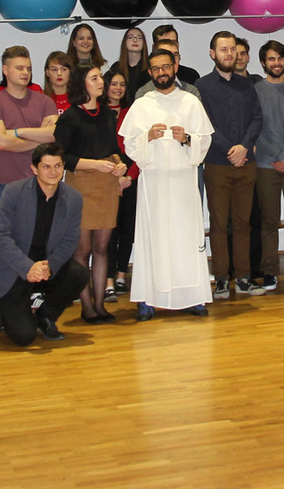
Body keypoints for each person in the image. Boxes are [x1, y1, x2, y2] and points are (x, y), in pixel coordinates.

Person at [119, 48, 215, 320]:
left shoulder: (190, 102)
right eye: (156, 68)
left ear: (174, 67)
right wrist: (147, 137)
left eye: (166, 67)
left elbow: (204, 141)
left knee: (186, 240)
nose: (162, 72)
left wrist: (188, 139)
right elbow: (129, 144)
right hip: (155, 184)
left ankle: (192, 297)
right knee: (154, 241)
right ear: (150, 72)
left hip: (184, 183)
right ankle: (148, 299)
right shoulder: (142, 104)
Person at [0, 144, 90, 345]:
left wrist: (50, 266)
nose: (53, 172)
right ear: (34, 169)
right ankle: (4, 310)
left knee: (79, 274)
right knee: (24, 337)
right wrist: (28, 267)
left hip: (45, 266)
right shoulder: (14, 191)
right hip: (14, 268)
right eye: (46, 166)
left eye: (57, 166)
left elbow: (70, 241)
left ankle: (45, 316)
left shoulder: (73, 198)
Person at [55, 65, 130, 321]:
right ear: (82, 84)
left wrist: (119, 164)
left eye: (100, 77)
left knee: (102, 247)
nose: (101, 82)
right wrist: (94, 164)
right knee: (83, 249)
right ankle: (86, 306)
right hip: (81, 184)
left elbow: (113, 149)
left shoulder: (107, 113)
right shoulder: (70, 116)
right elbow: (62, 157)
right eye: (94, 78)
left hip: (106, 183)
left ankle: (100, 304)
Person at [198, 30, 264, 299]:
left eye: (232, 49)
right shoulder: (202, 86)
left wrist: (244, 146)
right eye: (223, 49)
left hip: (246, 163)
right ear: (213, 54)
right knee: (218, 224)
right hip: (217, 164)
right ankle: (222, 278)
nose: (229, 54)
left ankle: (244, 276)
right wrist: (230, 149)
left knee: (242, 223)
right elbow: (205, 124)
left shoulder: (246, 85)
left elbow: (257, 118)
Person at [251, 41, 284, 291]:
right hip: (266, 165)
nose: (276, 63)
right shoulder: (257, 91)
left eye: (280, 58)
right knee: (268, 221)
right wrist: (276, 156)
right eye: (271, 59)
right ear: (263, 62)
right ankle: (269, 271)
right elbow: (255, 128)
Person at [0, 46, 60, 195]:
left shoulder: (45, 102)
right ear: (5, 70)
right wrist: (40, 139)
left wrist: (17, 132)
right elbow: (1, 143)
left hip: (43, 181)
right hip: (7, 182)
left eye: (28, 69)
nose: (25, 72)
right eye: (19, 68)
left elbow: (54, 134)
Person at [103, 69, 141, 299]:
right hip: (106, 177)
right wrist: (115, 177)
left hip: (131, 176)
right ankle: (107, 279)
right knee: (110, 230)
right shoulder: (98, 112)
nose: (118, 88)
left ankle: (120, 275)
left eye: (122, 84)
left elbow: (141, 147)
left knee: (127, 229)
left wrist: (129, 177)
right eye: (113, 84)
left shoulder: (132, 112)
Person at [107, 25, 151, 105]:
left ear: (144, 43)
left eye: (139, 38)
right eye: (130, 37)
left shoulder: (150, 67)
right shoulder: (116, 67)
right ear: (125, 42)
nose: (135, 40)